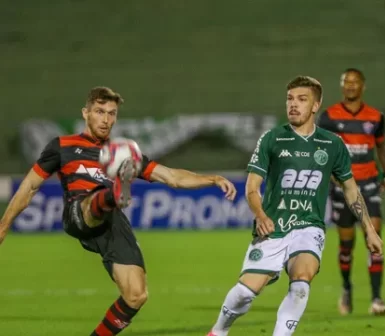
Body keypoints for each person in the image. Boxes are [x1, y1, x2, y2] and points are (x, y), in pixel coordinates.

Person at [0, 87, 237, 336]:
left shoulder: (124, 153)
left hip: (112, 221)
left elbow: (172, 177)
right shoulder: (63, 146)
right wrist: (4, 224)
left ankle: (114, 194)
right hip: (79, 212)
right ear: (86, 113)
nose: (106, 119)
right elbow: (29, 186)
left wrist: (212, 179)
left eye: (111, 113)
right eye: (100, 112)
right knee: (93, 202)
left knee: (136, 295)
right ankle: (113, 193)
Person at [206, 76, 383, 336]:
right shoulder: (272, 139)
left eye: (302, 99)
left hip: (308, 228)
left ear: (315, 105)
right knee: (245, 293)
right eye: (290, 99)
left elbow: (350, 189)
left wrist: (369, 229)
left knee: (301, 282)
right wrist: (260, 214)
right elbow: (252, 187)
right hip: (273, 228)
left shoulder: (332, 144)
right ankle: (218, 332)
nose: (293, 105)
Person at [316, 68, 385, 315]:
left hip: (369, 184)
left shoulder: (375, 117)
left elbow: (382, 147)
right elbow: (321, 151)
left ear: (363, 86)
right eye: (346, 82)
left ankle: (377, 299)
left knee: (375, 237)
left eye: (354, 82)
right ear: (341, 86)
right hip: (341, 188)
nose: (350, 86)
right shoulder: (328, 117)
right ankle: (347, 288)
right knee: (346, 243)